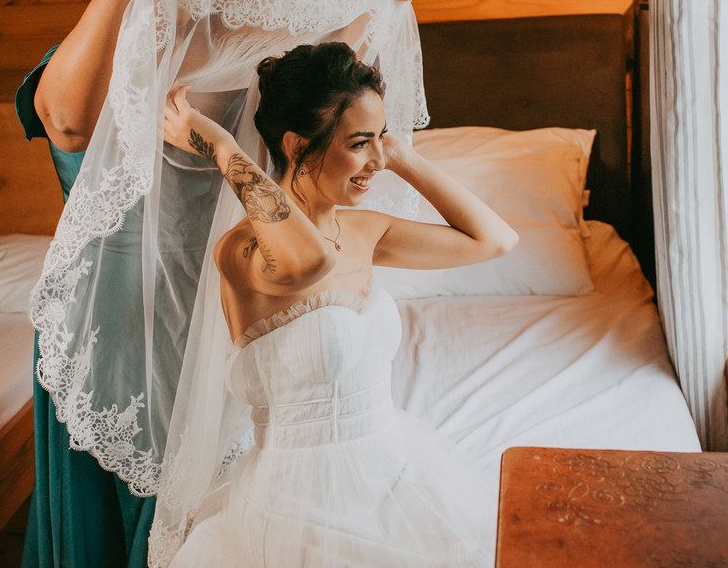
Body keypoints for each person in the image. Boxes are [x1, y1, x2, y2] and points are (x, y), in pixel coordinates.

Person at [159, 42, 518, 567]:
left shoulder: (366, 231)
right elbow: (308, 264)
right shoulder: (244, 250)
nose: (375, 160)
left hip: (391, 471)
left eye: (379, 141)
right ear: (297, 145)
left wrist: (400, 155)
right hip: (298, 503)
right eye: (359, 144)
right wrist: (222, 150)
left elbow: (494, 240)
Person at [14, 0, 227, 568]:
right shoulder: (85, 55)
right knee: (102, 530)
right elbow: (69, 125)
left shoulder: (228, 65)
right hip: (102, 321)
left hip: (199, 315)